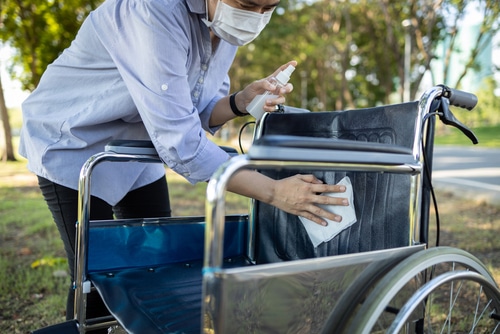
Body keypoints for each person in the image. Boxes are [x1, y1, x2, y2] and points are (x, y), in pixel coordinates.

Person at [19, 0, 348, 331]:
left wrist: (240, 101)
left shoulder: (224, 27)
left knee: (157, 264)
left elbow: (200, 109)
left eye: (268, 7)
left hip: (138, 149)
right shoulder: (153, 10)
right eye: (248, 4)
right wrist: (274, 191)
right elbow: (181, 141)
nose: (256, 17)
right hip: (75, 143)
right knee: (96, 275)